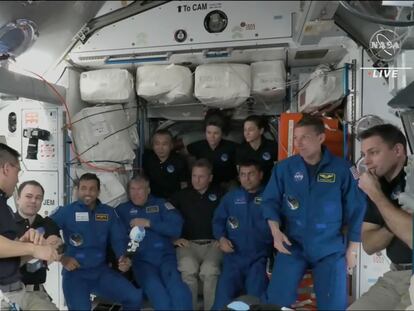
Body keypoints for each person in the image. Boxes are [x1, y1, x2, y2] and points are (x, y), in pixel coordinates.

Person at [261, 114, 366, 310]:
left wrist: (353, 248)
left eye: (305, 137)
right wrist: (275, 233)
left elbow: (357, 207)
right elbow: (269, 202)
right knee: (275, 302)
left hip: (329, 248)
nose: (299, 143)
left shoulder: (343, 169)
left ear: (321, 138)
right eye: (296, 138)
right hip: (292, 245)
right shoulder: (284, 169)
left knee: (333, 305)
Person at [49, 173, 142, 311]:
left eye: (92, 189)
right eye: (83, 188)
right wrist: (62, 258)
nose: (87, 192)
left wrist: (123, 257)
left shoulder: (108, 213)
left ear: (98, 191)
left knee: (134, 297)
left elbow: (118, 239)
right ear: (78, 190)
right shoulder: (66, 212)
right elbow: (48, 233)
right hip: (75, 274)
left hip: (100, 272)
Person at [348, 124, 412, 310]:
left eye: (373, 152)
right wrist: (396, 222)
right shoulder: (379, 186)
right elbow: (369, 244)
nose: (366, 161)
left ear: (398, 150)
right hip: (395, 276)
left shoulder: (412, 180)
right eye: (364, 154)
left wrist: (376, 195)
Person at [116, 173, 192, 310]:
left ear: (148, 190)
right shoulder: (122, 210)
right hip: (142, 261)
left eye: (140, 189)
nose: (135, 193)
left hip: (165, 258)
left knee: (177, 288)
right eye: (132, 189)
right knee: (157, 292)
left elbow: (176, 227)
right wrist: (124, 257)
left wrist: (149, 223)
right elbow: (116, 237)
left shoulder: (161, 204)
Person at [0, 143, 60, 310]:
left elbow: (8, 260)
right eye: (17, 172)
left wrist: (25, 245)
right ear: (6, 169)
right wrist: (31, 249)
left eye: (38, 198)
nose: (17, 179)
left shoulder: (3, 205)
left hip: (17, 292)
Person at [211, 159, 273, 310]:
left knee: (255, 300)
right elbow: (217, 221)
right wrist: (221, 238)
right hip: (233, 258)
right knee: (222, 300)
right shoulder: (231, 198)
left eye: (251, 174)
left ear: (260, 175)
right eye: (243, 174)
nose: (247, 178)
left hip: (258, 258)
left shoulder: (271, 197)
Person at [170, 159, 224, 310]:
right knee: (188, 268)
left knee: (210, 270)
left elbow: (231, 218)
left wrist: (224, 238)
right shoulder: (181, 195)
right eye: (194, 176)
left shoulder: (221, 194)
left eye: (201, 176)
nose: (197, 180)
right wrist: (173, 238)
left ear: (210, 178)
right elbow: (164, 218)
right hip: (187, 243)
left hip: (214, 243)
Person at [15, 180, 62, 310]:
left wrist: (56, 248)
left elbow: (58, 249)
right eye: (29, 196)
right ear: (18, 199)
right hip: (5, 294)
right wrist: (36, 250)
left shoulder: (49, 224)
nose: (33, 201)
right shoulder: (5, 224)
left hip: (35, 293)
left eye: (38, 198)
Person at [187, 110, 238, 189]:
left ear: (222, 133)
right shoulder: (198, 146)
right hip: (205, 184)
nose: (212, 136)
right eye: (209, 132)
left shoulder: (232, 147)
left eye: (216, 133)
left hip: (226, 185)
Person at [142, 129, 189, 199]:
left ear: (171, 146)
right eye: (157, 144)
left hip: (174, 200)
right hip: (152, 199)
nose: (160, 148)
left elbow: (184, 184)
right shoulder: (147, 158)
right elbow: (142, 178)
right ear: (152, 145)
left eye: (164, 144)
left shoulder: (179, 160)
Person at [236, 115, 277, 184]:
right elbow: (240, 173)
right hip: (249, 186)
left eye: (250, 130)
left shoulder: (272, 146)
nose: (247, 133)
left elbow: (278, 170)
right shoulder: (240, 149)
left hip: (270, 184)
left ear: (261, 131)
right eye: (245, 130)